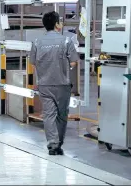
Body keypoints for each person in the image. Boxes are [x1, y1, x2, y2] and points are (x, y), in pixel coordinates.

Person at [29, 11, 79, 155]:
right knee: (62, 114)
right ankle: (59, 144)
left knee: (49, 114)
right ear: (57, 24)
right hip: (62, 84)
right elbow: (74, 62)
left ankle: (52, 144)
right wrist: (66, 67)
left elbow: (32, 64)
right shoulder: (66, 41)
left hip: (44, 84)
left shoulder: (37, 42)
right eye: (60, 21)